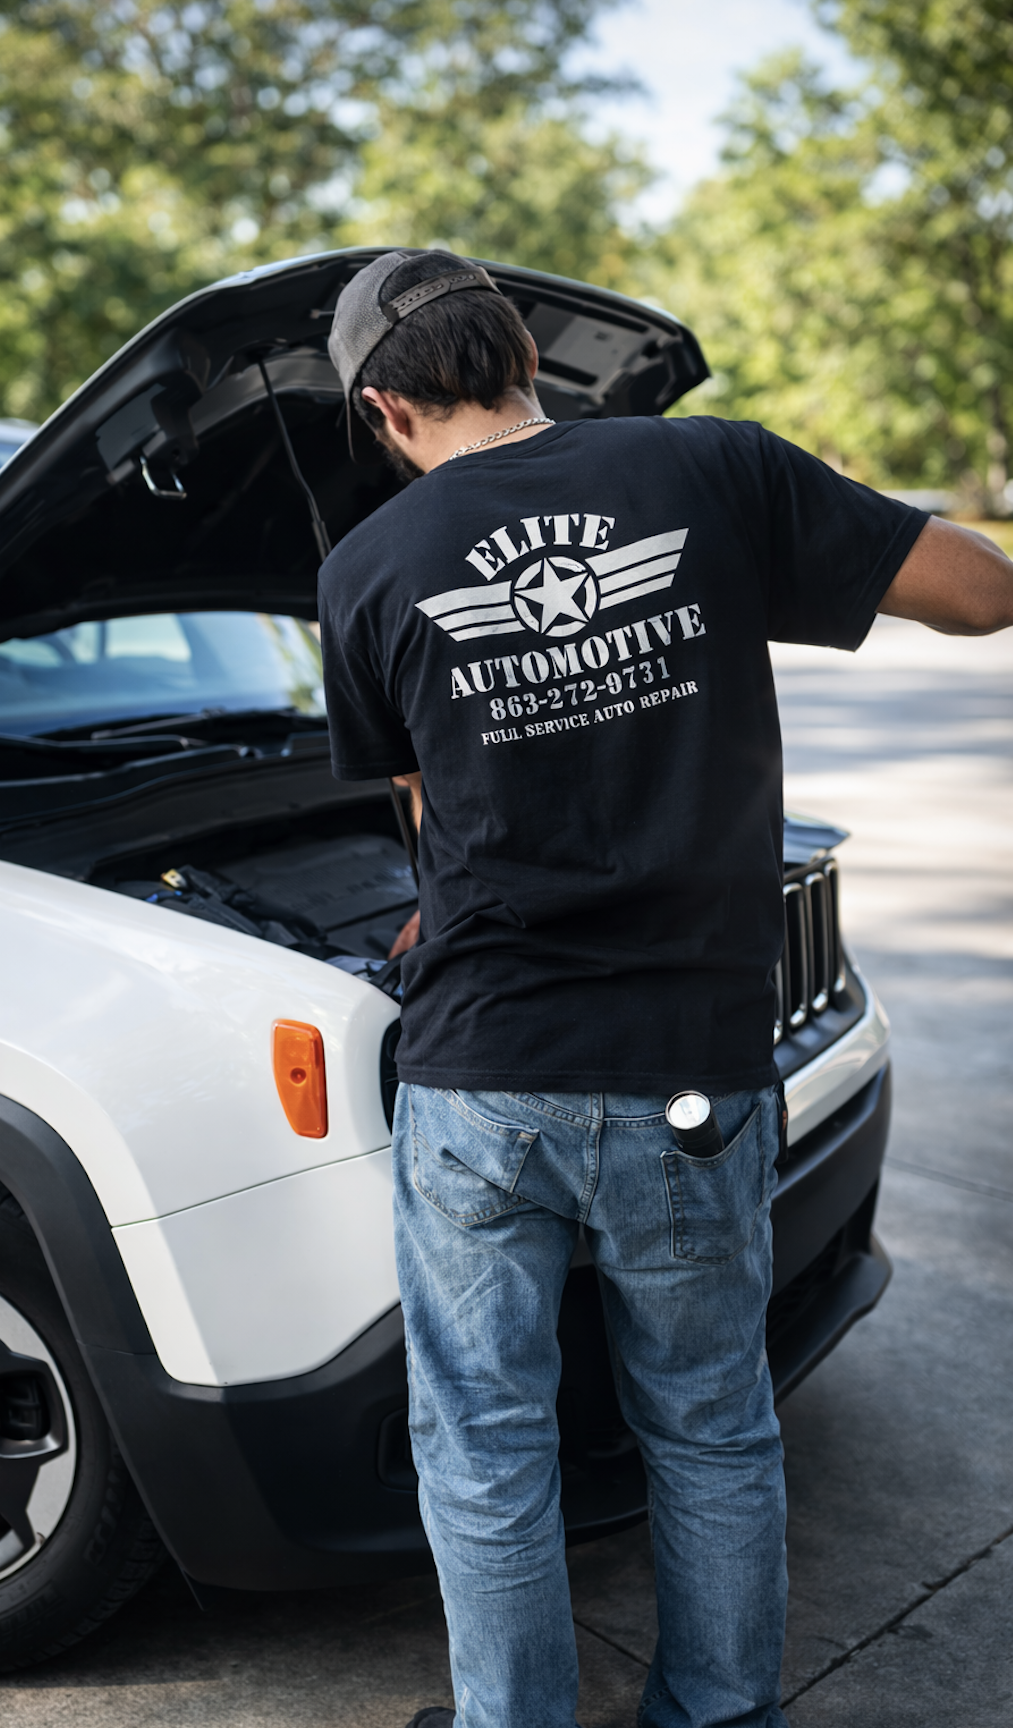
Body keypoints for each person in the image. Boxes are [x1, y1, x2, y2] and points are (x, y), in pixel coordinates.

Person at [315, 249, 1013, 1728]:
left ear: (383, 406)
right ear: (526, 354)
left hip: (480, 1077)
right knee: (708, 1432)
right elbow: (984, 592)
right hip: (687, 1068)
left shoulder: (364, 570)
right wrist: (790, 509)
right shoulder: (714, 470)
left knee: (489, 1446)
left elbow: (428, 810)